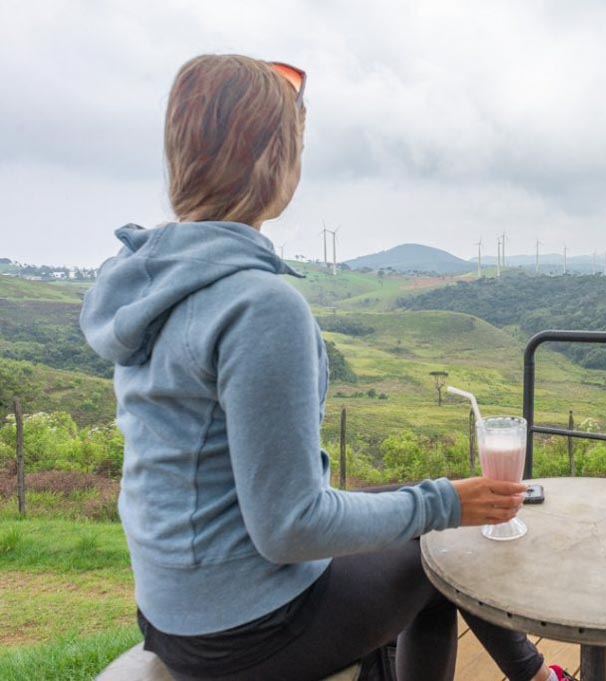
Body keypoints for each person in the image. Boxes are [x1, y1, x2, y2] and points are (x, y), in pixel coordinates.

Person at [80, 54, 572, 681]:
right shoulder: (260, 306)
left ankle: (531, 675)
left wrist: (435, 497)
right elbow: (289, 527)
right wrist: (442, 505)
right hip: (247, 629)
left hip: (173, 608)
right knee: (439, 547)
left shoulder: (153, 282)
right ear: (277, 160)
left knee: (422, 502)